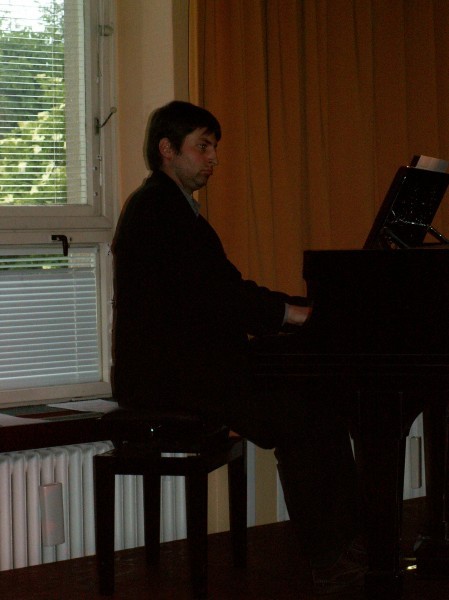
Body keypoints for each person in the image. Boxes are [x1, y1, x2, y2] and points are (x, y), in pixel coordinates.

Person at [111, 100, 366, 595]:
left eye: (215, 148)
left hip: (191, 367)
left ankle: (348, 539)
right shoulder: (159, 210)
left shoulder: (173, 209)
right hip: (168, 379)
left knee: (320, 402)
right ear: (167, 149)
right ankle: (329, 557)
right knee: (302, 415)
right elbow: (220, 298)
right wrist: (292, 314)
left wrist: (291, 308)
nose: (214, 158)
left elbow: (223, 289)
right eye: (202, 147)